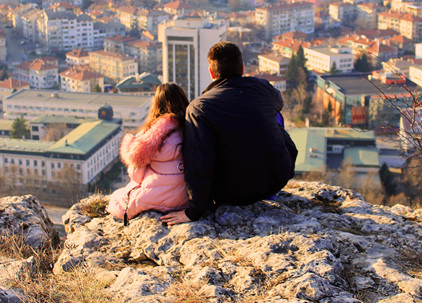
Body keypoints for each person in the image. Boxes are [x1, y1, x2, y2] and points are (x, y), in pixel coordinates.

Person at [161, 41, 298, 225]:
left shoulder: (199, 108)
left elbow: (199, 161)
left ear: (212, 73)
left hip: (233, 194)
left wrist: (194, 210)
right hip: (277, 178)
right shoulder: (264, 88)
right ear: (242, 68)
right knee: (275, 117)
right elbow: (278, 104)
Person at [108, 83, 189, 224]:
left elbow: (137, 176)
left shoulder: (150, 135)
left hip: (155, 197)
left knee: (117, 201)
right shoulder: (194, 127)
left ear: (156, 104)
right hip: (187, 197)